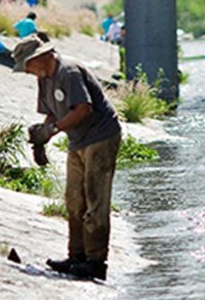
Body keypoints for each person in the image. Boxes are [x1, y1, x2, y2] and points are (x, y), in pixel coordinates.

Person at [12, 35, 121, 281]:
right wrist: (43, 134)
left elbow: (84, 109)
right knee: (73, 199)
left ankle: (95, 262)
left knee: (95, 200)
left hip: (101, 137)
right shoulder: (44, 78)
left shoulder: (69, 72)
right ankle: (76, 257)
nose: (28, 72)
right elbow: (52, 111)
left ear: (39, 58)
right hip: (77, 140)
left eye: (27, 66)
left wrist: (53, 129)